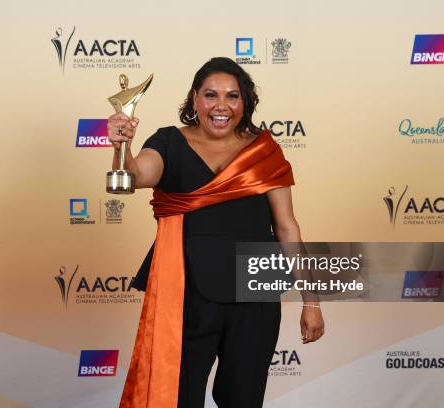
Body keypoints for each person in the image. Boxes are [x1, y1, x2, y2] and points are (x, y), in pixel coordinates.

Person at [108, 57, 325, 408]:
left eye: (232, 96)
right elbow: (136, 175)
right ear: (194, 100)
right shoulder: (168, 143)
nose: (221, 105)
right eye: (211, 95)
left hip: (255, 291)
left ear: (245, 102)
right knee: (178, 396)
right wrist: (122, 146)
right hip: (188, 291)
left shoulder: (264, 151)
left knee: (243, 398)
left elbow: (286, 226)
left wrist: (311, 301)